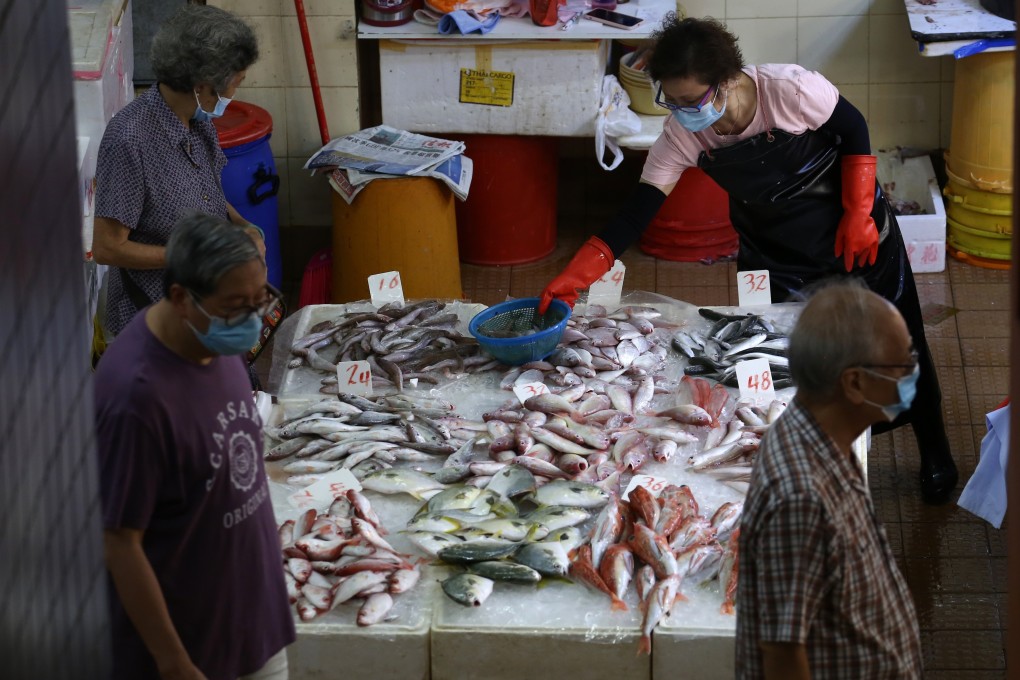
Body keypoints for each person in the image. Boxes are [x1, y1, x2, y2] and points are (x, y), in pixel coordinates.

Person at [538, 15, 957, 504]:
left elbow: (854, 128)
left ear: (728, 80)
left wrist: (860, 208)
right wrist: (581, 269)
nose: (682, 112)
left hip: (851, 235)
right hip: (771, 253)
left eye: (691, 101)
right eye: (670, 101)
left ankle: (935, 448)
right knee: (785, 362)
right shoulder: (682, 135)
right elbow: (637, 212)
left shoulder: (790, 90)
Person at [95, 214, 294, 680]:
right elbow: (119, 542)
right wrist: (173, 660)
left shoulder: (216, 341)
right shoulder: (135, 398)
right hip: (194, 645)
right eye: (234, 307)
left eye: (259, 300)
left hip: (254, 620)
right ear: (182, 298)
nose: (250, 321)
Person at [735, 281, 923, 679]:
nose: (912, 371)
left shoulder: (824, 436)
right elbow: (783, 653)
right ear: (854, 383)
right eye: (903, 362)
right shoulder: (800, 498)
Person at [93, 4, 264, 338]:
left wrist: (246, 229)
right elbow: (107, 248)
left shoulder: (198, 123)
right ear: (203, 87)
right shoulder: (130, 140)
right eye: (235, 83)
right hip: (152, 327)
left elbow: (207, 192)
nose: (234, 94)